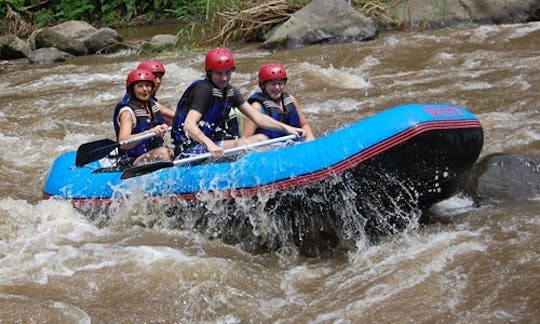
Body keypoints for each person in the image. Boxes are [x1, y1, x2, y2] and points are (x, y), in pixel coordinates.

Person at [171, 47, 305, 157]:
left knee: (261, 139)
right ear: (209, 72)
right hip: (189, 150)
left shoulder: (230, 91)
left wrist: (287, 128)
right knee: (240, 144)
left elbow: (257, 117)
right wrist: (209, 144)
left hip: (211, 145)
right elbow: (189, 125)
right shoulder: (203, 90)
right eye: (219, 73)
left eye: (228, 73)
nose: (224, 78)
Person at [113, 68, 174, 165]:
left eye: (148, 85)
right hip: (132, 161)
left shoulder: (153, 105)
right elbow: (123, 142)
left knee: (175, 149)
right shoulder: (127, 112)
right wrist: (150, 132)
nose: (145, 89)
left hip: (151, 155)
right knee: (164, 153)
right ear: (132, 89)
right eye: (140, 86)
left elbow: (176, 118)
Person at [242, 63, 315, 143]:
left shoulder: (291, 100)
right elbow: (246, 140)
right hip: (270, 149)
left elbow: (304, 124)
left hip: (293, 144)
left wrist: (309, 137)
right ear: (263, 85)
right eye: (273, 84)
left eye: (280, 84)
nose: (277, 87)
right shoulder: (256, 107)